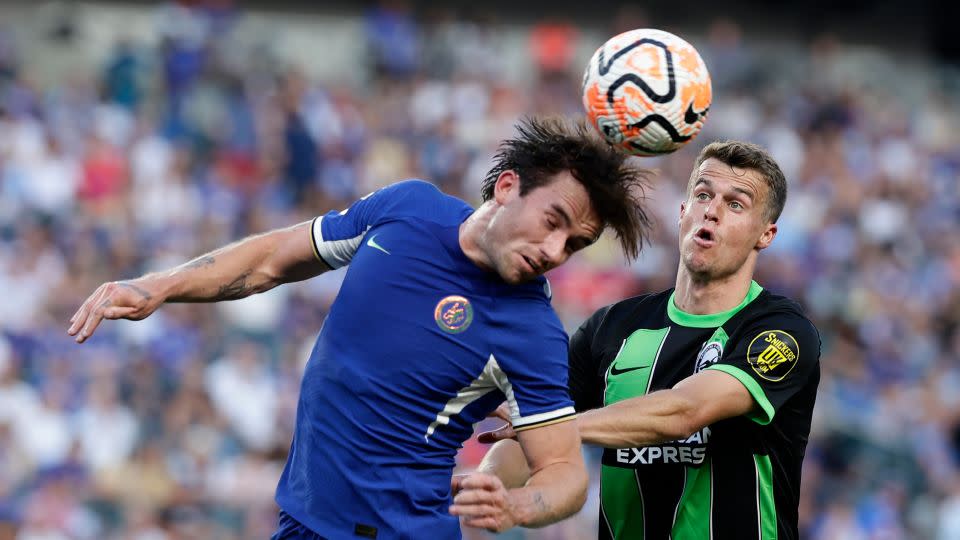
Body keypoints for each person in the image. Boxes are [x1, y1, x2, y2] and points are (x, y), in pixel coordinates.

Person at [67, 118, 654, 539]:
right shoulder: (408, 208)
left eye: (574, 245)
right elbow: (271, 259)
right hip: (303, 518)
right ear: (507, 186)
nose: (556, 250)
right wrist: (161, 286)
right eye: (553, 222)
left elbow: (565, 473)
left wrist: (518, 506)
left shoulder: (530, 330)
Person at [478, 141, 821, 539]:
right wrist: (488, 485)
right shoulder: (612, 328)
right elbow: (529, 436)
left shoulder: (780, 331)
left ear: (766, 234)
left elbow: (683, 412)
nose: (712, 210)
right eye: (703, 195)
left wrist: (554, 426)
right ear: (682, 211)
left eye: (736, 204)